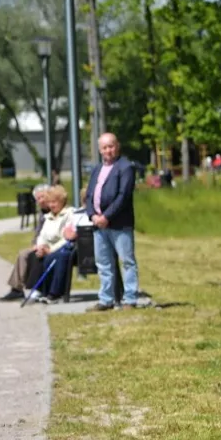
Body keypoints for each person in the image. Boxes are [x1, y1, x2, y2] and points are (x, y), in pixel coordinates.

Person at [83, 132, 141, 311]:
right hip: (98, 225)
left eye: (111, 146)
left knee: (127, 261)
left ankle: (129, 299)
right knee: (103, 264)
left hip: (119, 224)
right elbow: (90, 195)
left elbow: (123, 196)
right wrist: (93, 215)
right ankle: (106, 299)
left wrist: (106, 217)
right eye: (104, 147)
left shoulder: (126, 167)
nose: (108, 150)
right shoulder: (97, 169)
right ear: (100, 150)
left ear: (117, 146)